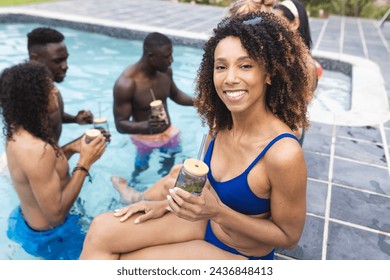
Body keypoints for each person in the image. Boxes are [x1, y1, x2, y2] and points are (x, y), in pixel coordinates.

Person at [80, 11, 310, 260]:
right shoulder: (219, 126)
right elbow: (201, 187)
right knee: (100, 230)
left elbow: (288, 237)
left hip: (240, 253)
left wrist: (218, 212)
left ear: (268, 73)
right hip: (205, 223)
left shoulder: (283, 153)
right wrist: (165, 205)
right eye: (221, 66)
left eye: (245, 65)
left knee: (127, 263)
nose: (230, 78)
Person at [0, 62, 106, 260]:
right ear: (35, 98)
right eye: (49, 88)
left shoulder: (19, 132)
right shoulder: (36, 150)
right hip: (52, 239)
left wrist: (72, 148)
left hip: (28, 222)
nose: (55, 91)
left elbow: (43, 171)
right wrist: (85, 162)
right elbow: (55, 215)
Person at [113, 32, 194, 176]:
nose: (171, 60)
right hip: (143, 139)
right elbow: (120, 125)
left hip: (168, 133)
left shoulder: (165, 72)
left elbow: (175, 95)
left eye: (171, 55)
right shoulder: (126, 84)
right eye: (166, 56)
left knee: (170, 167)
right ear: (151, 56)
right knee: (140, 171)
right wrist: (147, 126)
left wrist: (199, 102)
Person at [27, 27, 94, 142]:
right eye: (58, 61)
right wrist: (75, 146)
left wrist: (74, 119)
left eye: (65, 59)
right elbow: (33, 154)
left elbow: (52, 116)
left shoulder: (47, 84)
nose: (65, 66)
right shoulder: (26, 95)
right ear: (35, 59)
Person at [273, 0, 319, 145]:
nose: (272, 28)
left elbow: (296, 124)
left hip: (286, 136)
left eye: (278, 22)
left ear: (294, 24)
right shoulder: (279, 53)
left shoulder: (306, 67)